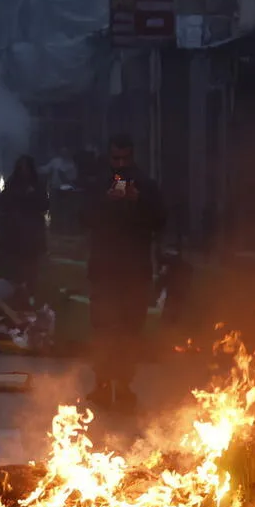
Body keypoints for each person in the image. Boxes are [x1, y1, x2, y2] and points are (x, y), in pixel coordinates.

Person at [83, 134, 167, 412]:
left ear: (132, 157)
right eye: (115, 159)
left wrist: (138, 201)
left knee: (130, 331)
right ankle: (104, 382)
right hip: (105, 272)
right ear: (109, 158)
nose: (120, 165)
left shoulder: (145, 185)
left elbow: (160, 219)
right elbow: (82, 218)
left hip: (134, 273)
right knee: (105, 329)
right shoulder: (97, 185)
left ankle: (125, 383)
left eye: (125, 159)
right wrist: (106, 202)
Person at [0, 155, 48, 298]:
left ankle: (30, 298)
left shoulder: (37, 186)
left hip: (32, 237)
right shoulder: (13, 185)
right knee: (14, 275)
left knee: (31, 274)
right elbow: (1, 202)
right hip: (15, 237)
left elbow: (44, 204)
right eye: (21, 168)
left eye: (26, 168)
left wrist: (31, 197)